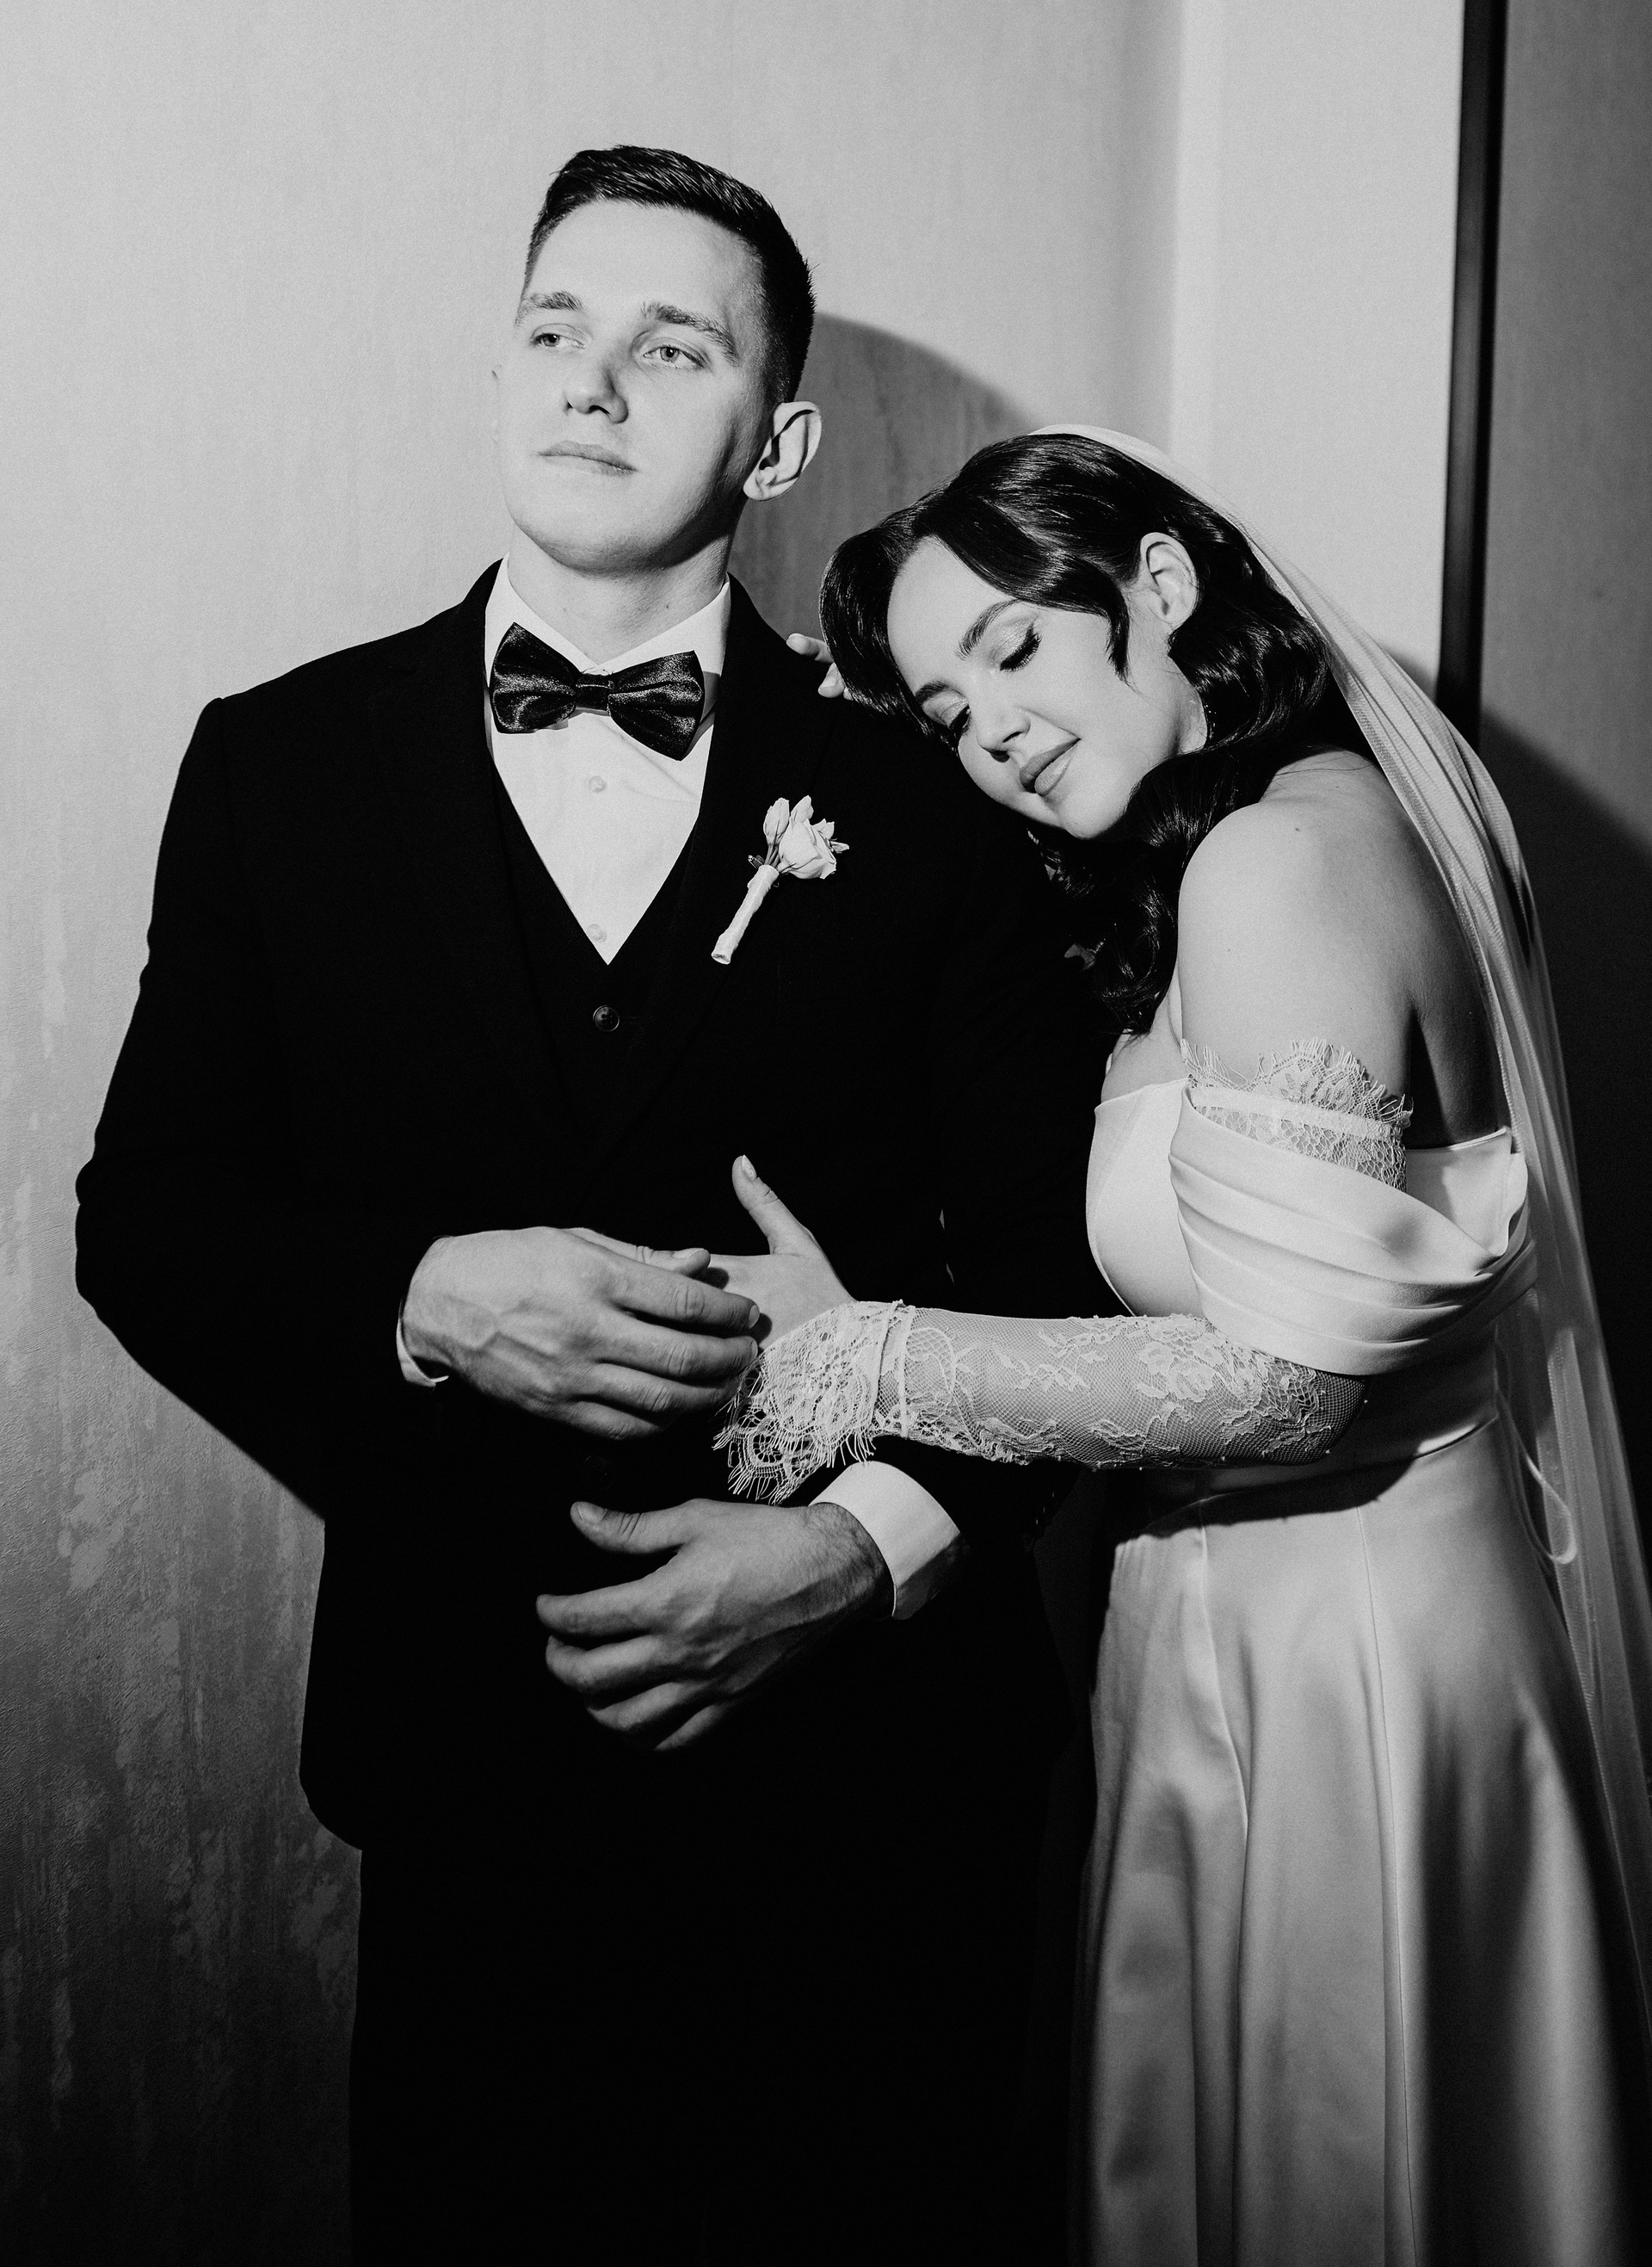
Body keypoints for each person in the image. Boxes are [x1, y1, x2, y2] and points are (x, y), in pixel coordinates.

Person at [74, 153, 1118, 2261]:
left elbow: (1057, 1285)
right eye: (557, 327)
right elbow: (148, 1215)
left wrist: (857, 1553)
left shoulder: (934, 801)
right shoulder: (278, 763)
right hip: (470, 1770)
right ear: (500, 369)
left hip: (871, 1788)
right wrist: (415, 1297)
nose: (595, 380)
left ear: (777, 443)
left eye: (674, 344)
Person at [712, 429, 1652, 2264]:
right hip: (1286, 1617)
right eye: (944, 713)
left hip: (1338, 1650)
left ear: (1158, 585)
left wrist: (866, 1354)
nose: (991, 733)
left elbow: (1287, 1381)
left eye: (1013, 649)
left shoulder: (1273, 863)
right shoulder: (1297, 825)